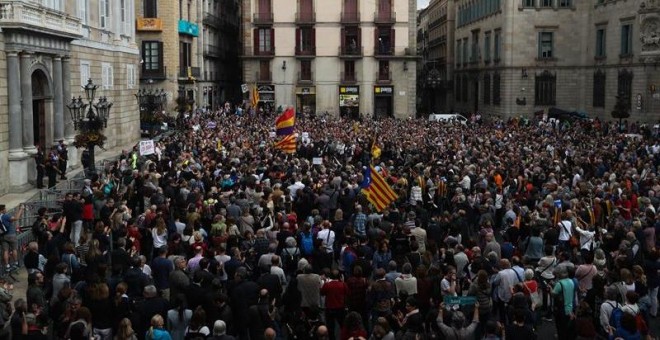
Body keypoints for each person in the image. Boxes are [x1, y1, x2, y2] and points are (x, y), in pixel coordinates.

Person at [0, 204, 24, 273]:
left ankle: (7, 266)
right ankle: (16, 263)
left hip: (2, 236)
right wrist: (21, 209)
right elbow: (16, 218)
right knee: (14, 249)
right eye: (5, 209)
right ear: (2, 210)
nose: (6, 210)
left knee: (5, 251)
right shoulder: (5, 216)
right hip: (10, 234)